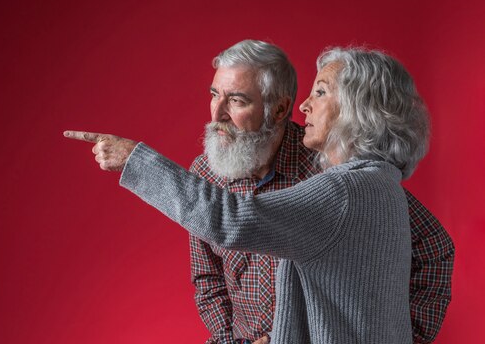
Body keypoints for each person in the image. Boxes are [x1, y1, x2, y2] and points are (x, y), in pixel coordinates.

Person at [64, 46, 453, 343]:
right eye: (214, 94)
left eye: (237, 99)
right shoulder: (377, 181)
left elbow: (229, 220)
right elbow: (208, 279)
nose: (305, 106)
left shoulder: (340, 188)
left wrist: (136, 160)